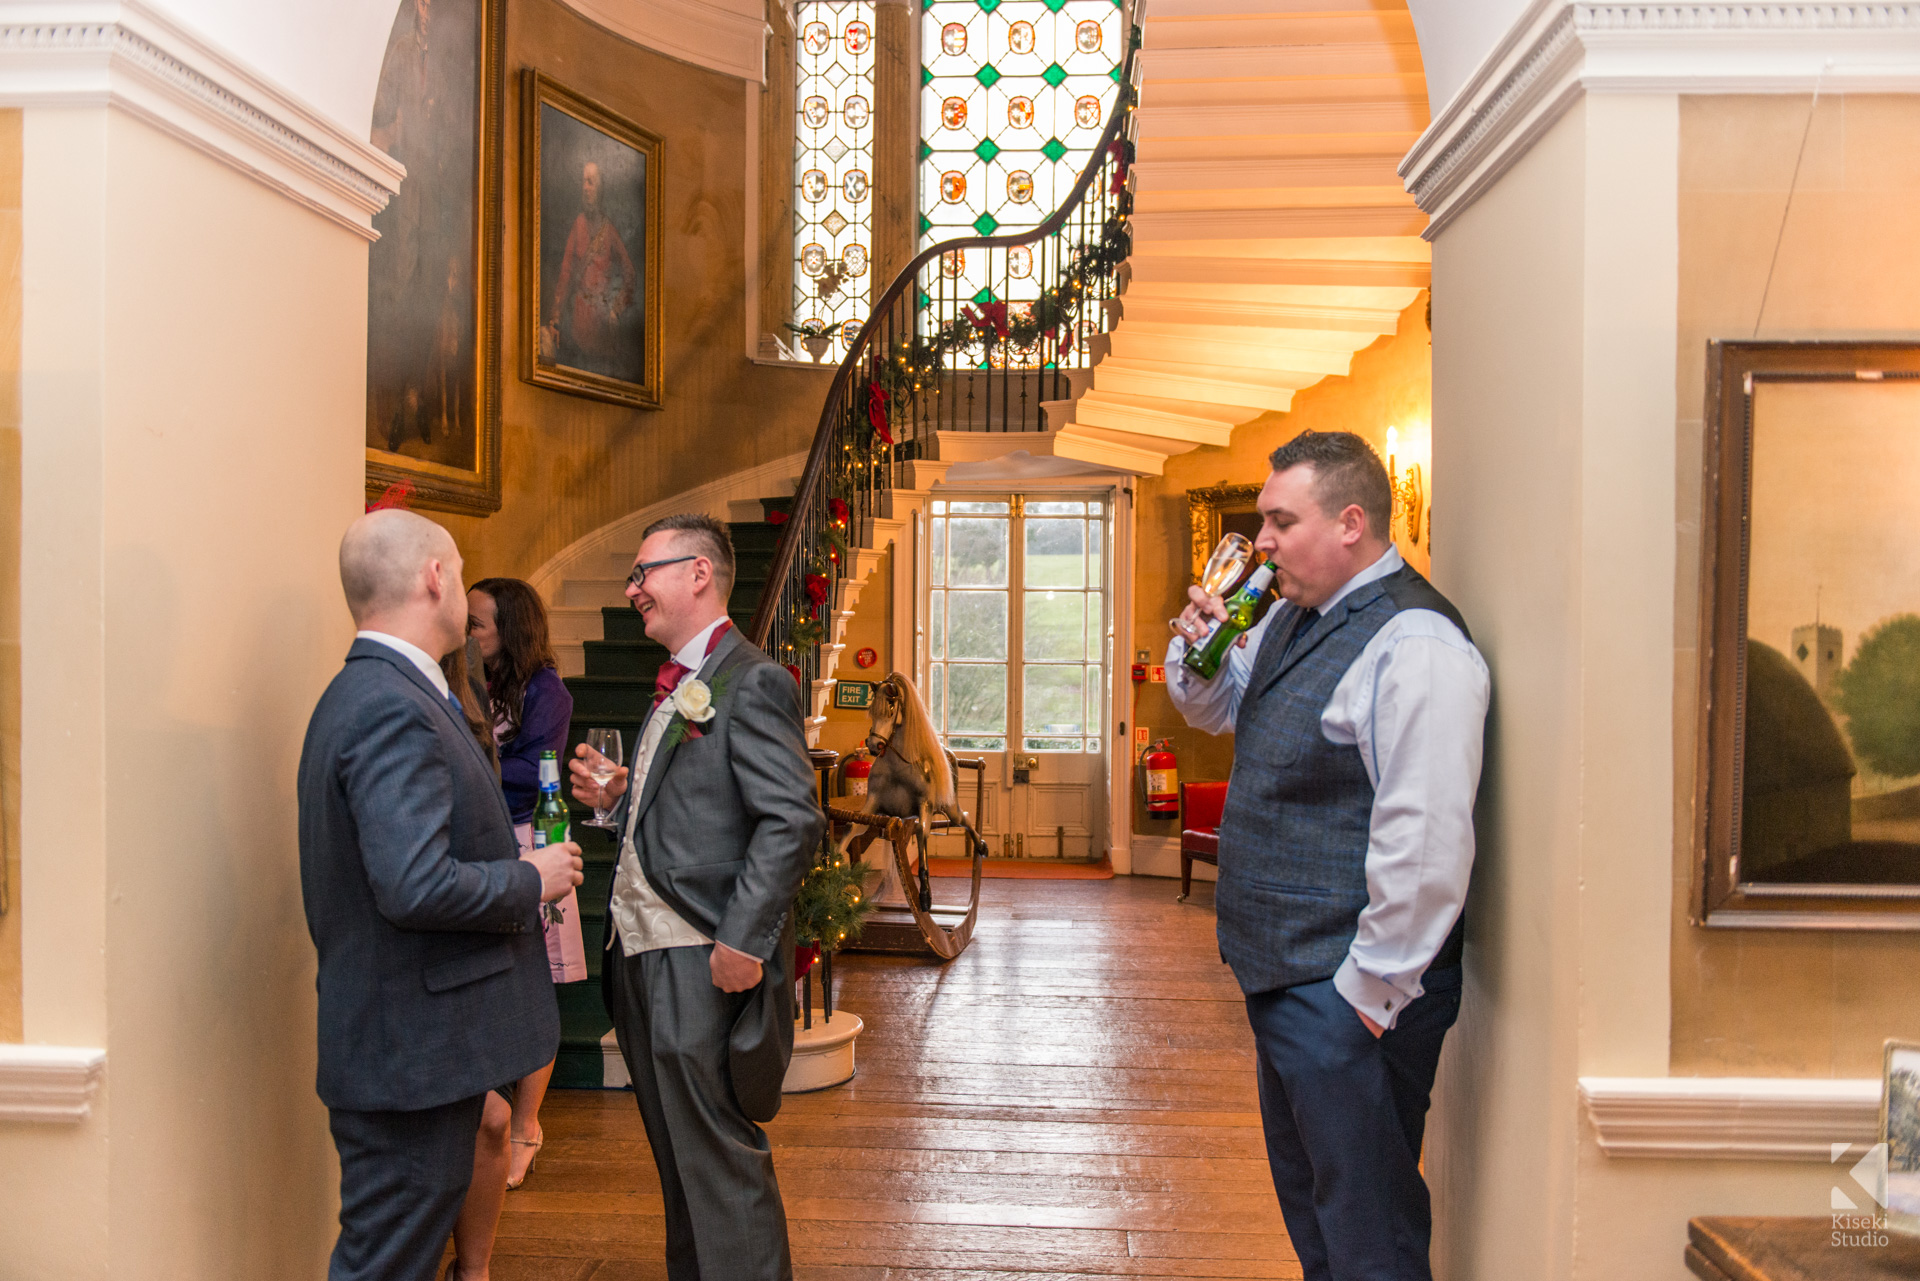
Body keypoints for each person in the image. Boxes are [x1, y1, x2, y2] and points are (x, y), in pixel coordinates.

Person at [1164, 431, 1489, 1281]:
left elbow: (1426, 843)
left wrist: (1363, 1001)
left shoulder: (1414, 643)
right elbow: (1221, 706)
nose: (1262, 539)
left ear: (1351, 522)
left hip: (1345, 994)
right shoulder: (1293, 617)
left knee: (1369, 1234)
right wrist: (1197, 648)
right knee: (1322, 1220)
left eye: (1280, 519)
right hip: (1287, 980)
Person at [298, 508, 584, 1281]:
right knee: (385, 1264)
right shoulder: (392, 703)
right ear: (435, 576)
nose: (462, 587)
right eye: (458, 570)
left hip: (417, 1048)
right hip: (408, 1057)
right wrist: (533, 877)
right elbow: (414, 883)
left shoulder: (386, 689)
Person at [569, 512, 823, 1281]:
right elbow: (698, 808)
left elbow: (791, 818)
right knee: (680, 1166)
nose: (632, 587)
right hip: (641, 960)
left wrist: (743, 938)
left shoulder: (751, 680)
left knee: (719, 1161)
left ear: (698, 574)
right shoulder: (678, 684)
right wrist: (620, 799)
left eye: (645, 572)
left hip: (698, 957)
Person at [469, 577, 576, 1189]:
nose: (469, 634)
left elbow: (536, 772)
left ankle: (526, 1126)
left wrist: (469, 763)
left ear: (509, 629)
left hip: (532, 843)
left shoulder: (546, 691)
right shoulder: (465, 680)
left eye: (478, 624)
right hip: (485, 846)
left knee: (536, 984)